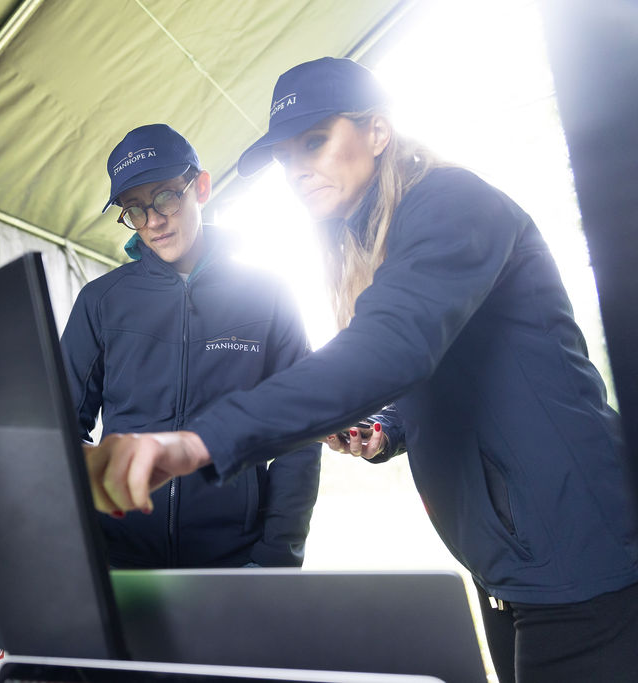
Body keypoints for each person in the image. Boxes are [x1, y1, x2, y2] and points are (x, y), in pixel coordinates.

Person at [84, 58, 638, 681]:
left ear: (377, 132)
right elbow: (430, 372)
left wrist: (195, 443)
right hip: (508, 567)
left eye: (315, 142)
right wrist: (385, 428)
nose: (298, 170)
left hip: (582, 557)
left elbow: (389, 348)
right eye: (286, 157)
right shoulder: (375, 238)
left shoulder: (450, 204)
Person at [61, 123, 321, 568]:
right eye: (135, 210)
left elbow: (301, 433)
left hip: (236, 563)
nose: (154, 220)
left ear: (200, 186)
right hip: (121, 562)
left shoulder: (269, 295)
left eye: (165, 196)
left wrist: (277, 555)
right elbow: (59, 429)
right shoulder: (101, 302)